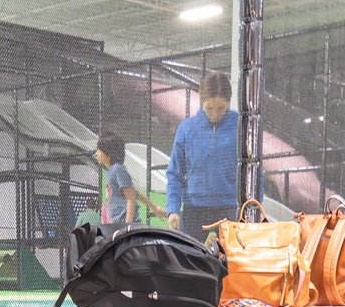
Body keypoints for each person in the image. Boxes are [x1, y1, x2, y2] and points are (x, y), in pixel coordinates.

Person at [165, 71, 239, 240]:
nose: (215, 114)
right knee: (188, 255)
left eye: (221, 108)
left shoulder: (239, 127)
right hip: (194, 210)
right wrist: (173, 208)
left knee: (231, 257)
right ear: (202, 102)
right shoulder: (187, 129)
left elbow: (254, 173)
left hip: (229, 209)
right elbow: (174, 174)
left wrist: (254, 208)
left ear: (229, 103)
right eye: (209, 108)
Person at [95, 130, 162, 226]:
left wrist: (127, 226)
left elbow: (131, 198)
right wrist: (154, 208)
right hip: (119, 223)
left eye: (99, 150)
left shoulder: (117, 169)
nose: (96, 153)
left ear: (108, 154)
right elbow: (135, 193)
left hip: (125, 223)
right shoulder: (111, 171)